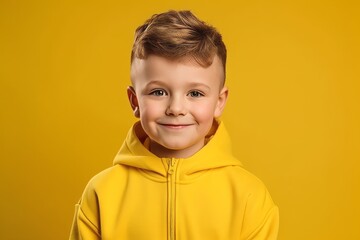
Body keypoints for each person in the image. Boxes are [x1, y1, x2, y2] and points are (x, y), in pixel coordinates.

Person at [69, 10, 279, 240]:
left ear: (219, 102)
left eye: (195, 93)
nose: (176, 108)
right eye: (158, 92)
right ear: (135, 101)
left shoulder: (249, 197)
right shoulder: (102, 192)